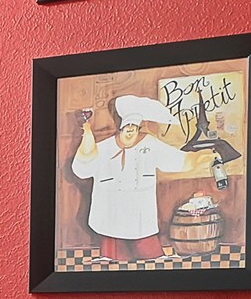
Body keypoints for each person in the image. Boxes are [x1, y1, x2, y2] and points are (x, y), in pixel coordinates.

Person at [73, 95, 189, 261]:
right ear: (120, 128)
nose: (130, 132)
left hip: (141, 214)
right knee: (113, 261)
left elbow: (179, 161)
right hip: (109, 215)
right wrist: (87, 132)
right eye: (127, 127)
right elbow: (81, 169)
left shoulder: (150, 145)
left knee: (151, 256)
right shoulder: (103, 149)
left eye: (134, 128)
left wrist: (204, 158)